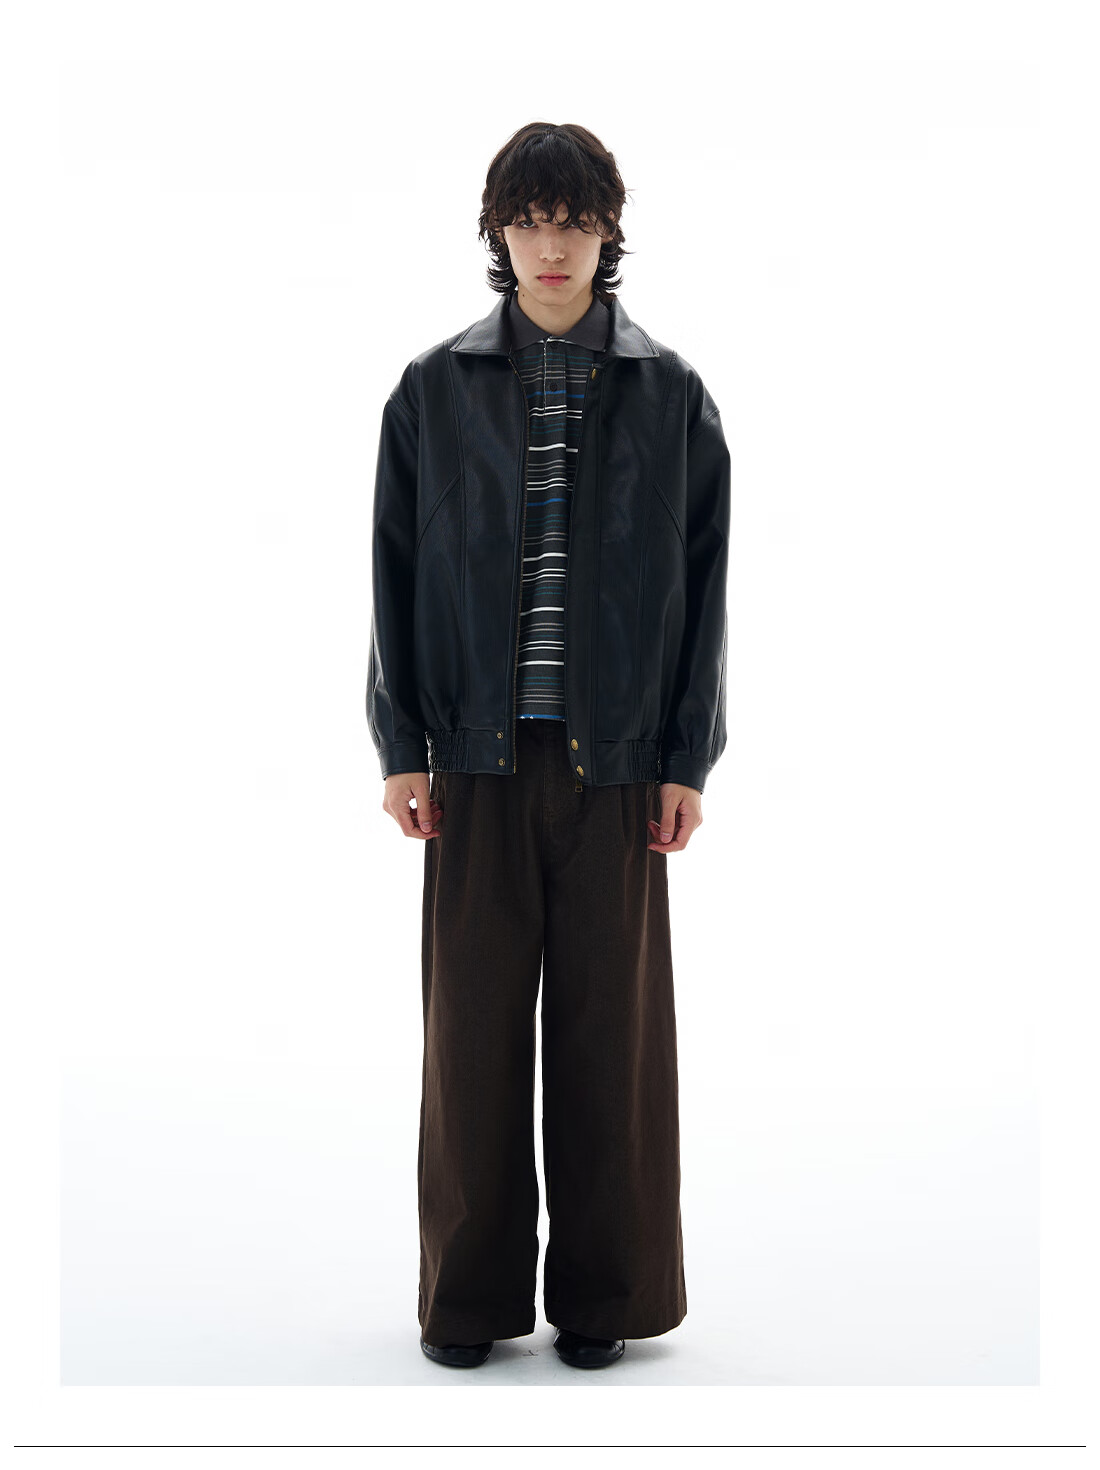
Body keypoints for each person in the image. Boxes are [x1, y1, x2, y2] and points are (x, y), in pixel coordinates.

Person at [366, 122, 730, 1371]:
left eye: (574, 222)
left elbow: (704, 588)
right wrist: (400, 743)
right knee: (469, 1044)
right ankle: (465, 1302)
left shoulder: (670, 393)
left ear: (607, 231)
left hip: (617, 769)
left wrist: (684, 758)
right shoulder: (431, 389)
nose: (552, 246)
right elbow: (392, 574)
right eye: (529, 222)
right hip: (471, 767)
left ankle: (602, 1301)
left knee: (606, 1049)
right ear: (497, 232)